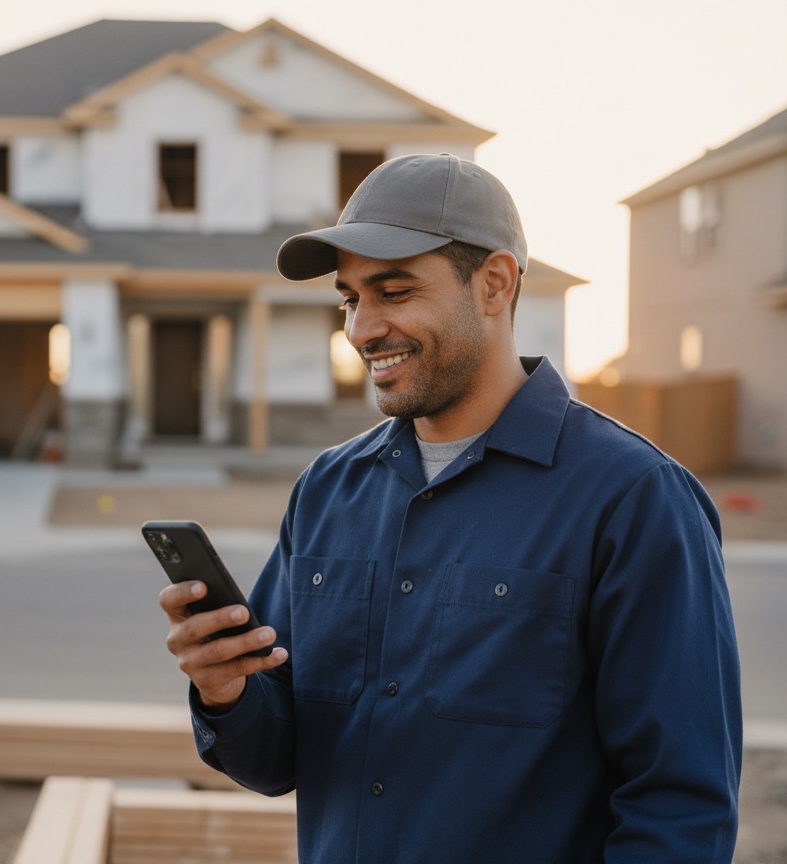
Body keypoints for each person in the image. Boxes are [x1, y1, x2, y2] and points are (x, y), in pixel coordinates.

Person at [160, 153, 742, 863]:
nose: (361, 329)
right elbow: (275, 759)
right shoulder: (327, 491)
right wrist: (225, 691)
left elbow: (681, 810)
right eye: (350, 300)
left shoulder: (634, 498)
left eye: (394, 291)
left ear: (495, 284)